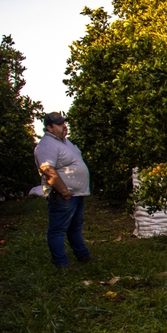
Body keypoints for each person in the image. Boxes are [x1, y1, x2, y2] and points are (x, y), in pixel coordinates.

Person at [34, 112, 99, 269]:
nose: (64, 126)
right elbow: (47, 169)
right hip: (63, 195)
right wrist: (64, 191)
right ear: (49, 128)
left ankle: (82, 255)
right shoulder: (46, 145)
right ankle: (61, 264)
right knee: (58, 230)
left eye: (64, 123)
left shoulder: (65, 142)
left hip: (76, 194)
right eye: (59, 124)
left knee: (74, 227)